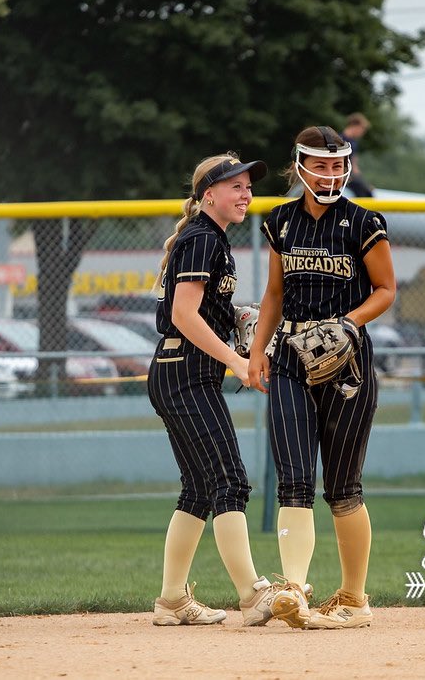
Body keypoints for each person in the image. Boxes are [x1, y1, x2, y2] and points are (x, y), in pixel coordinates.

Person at [247, 126, 396, 629]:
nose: (332, 174)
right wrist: (255, 351)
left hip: (346, 363)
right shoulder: (281, 221)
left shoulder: (362, 221)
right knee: (293, 477)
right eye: (322, 165)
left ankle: (354, 599)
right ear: (300, 165)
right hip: (290, 354)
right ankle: (293, 590)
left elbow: (386, 288)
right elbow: (273, 295)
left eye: (339, 165)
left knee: (343, 487)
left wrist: (348, 323)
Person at [149, 153, 283, 627]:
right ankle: (252, 594)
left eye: (248, 186)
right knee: (230, 482)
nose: (246, 193)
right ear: (208, 194)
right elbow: (185, 316)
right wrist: (238, 360)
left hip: (180, 372)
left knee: (200, 489)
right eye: (235, 185)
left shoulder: (207, 240)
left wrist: (235, 320)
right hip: (185, 374)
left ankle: (171, 601)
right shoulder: (204, 238)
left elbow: (199, 312)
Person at [341, 112, 375, 198]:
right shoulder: (340, 140)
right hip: (342, 176)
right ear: (354, 126)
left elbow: (354, 166)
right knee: (363, 193)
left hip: (351, 176)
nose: (362, 132)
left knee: (368, 191)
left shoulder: (354, 143)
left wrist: (364, 183)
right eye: (362, 129)